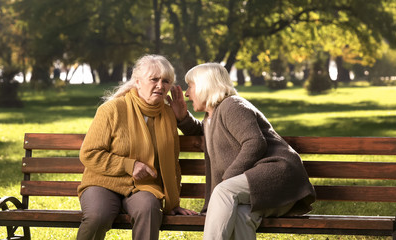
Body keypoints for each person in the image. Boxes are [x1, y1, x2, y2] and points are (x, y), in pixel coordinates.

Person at [168, 63, 316, 240]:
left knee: (224, 191)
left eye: (190, 86)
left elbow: (254, 143)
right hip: (262, 189)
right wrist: (183, 117)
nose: (186, 93)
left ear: (204, 86)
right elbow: (207, 134)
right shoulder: (212, 116)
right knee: (241, 216)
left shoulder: (232, 106)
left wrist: (228, 177)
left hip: (278, 176)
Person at [77, 54, 198, 240]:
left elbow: (172, 163)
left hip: (143, 186)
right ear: (137, 81)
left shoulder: (168, 114)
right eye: (154, 79)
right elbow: (89, 154)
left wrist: (172, 202)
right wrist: (129, 165)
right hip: (102, 182)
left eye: (166, 81)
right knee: (98, 216)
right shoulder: (112, 109)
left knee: (149, 209)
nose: (160, 85)